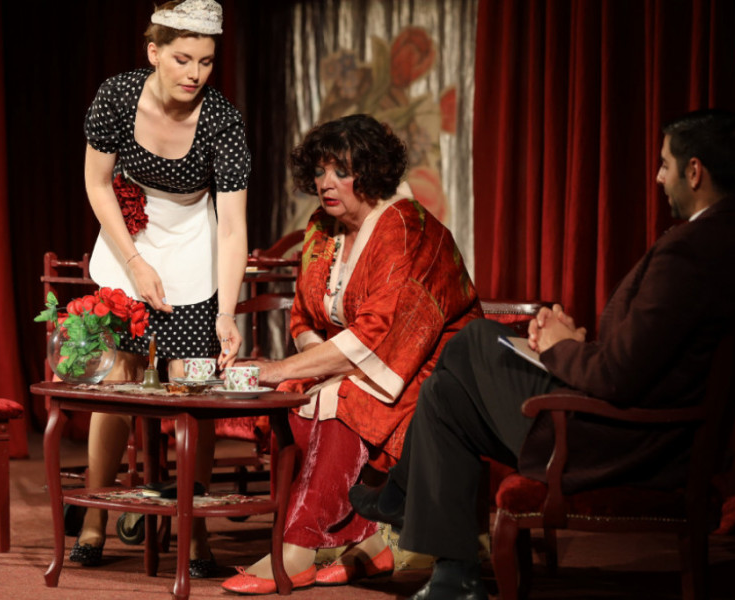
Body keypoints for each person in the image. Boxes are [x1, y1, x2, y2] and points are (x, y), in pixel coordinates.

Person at [349, 108, 735, 600]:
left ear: (694, 171)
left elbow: (617, 377)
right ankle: (453, 577)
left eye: (665, 165)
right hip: (646, 431)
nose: (658, 177)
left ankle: (402, 492)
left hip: (621, 444)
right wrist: (574, 343)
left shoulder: (691, 251)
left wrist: (561, 347)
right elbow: (652, 358)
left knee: (473, 338)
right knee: (444, 396)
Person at [220, 114, 483, 594]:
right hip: (364, 359)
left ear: (372, 171)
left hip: (430, 368)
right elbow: (303, 315)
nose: (326, 183)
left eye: (341, 171)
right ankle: (353, 535)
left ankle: (300, 545)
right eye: (320, 171)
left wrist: (284, 368)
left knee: (338, 397)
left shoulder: (405, 226)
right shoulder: (322, 228)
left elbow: (381, 333)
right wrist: (308, 368)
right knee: (297, 393)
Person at [72, 0, 249, 578]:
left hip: (193, 239)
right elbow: (97, 183)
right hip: (129, 233)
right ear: (154, 52)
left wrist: (227, 312)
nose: (195, 73)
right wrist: (133, 260)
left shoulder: (222, 121)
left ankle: (194, 531)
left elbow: (232, 228)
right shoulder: (117, 96)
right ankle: (95, 518)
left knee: (191, 388)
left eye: (206, 61)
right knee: (118, 378)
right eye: (182, 59)